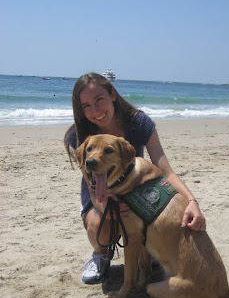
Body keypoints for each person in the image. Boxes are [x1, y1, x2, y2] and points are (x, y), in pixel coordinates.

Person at [64, 72, 206, 284]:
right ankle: (101, 255)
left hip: (137, 193)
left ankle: (149, 252)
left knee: (164, 218)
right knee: (101, 226)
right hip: (101, 192)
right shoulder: (78, 135)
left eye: (99, 100)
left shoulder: (139, 123)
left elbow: (165, 170)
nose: (95, 111)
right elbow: (92, 186)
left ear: (112, 94)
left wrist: (192, 201)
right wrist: (104, 207)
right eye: (86, 106)